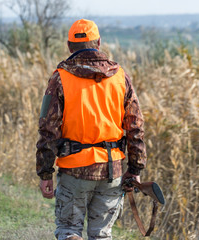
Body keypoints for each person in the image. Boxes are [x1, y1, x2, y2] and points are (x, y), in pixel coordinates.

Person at [36, 19, 147, 240]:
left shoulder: (60, 78)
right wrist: (135, 169)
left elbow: (48, 129)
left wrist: (45, 172)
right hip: (111, 171)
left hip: (74, 170)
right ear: (98, 43)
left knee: (69, 231)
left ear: (69, 46)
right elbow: (136, 127)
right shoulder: (120, 77)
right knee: (102, 235)